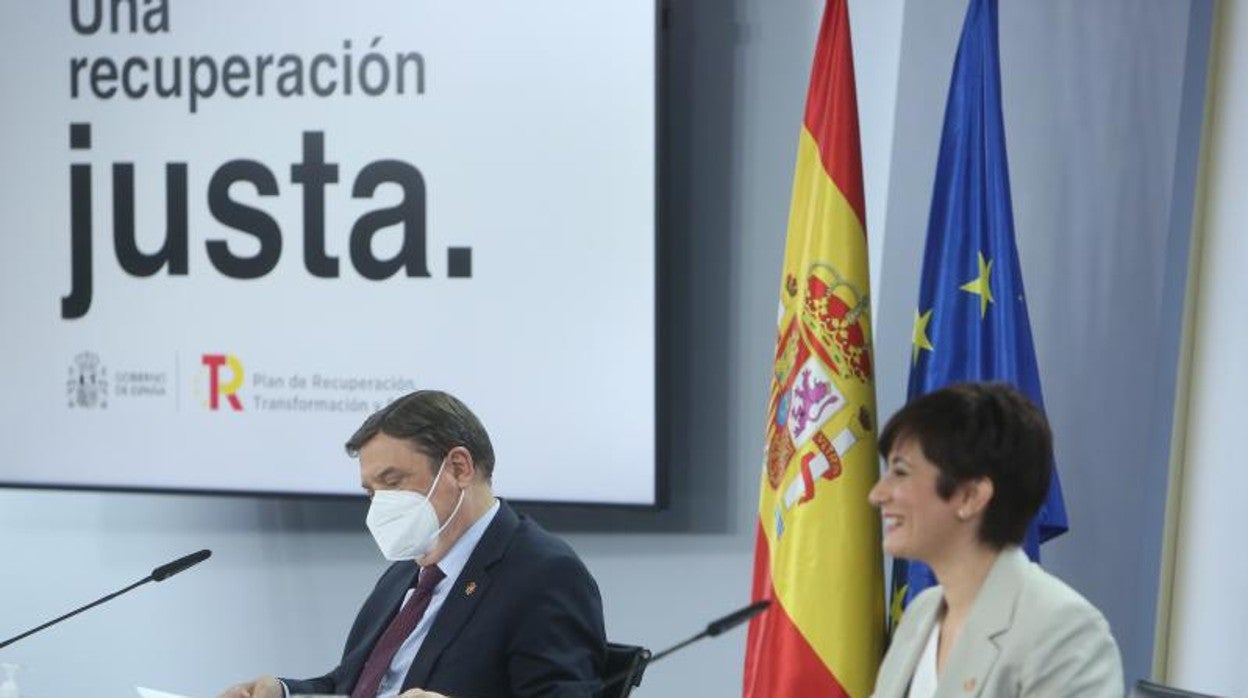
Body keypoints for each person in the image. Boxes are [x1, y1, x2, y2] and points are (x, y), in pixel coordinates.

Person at [219, 390, 606, 698]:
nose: (380, 504)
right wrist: (283, 693)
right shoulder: (406, 572)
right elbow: (353, 685)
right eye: (371, 491)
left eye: (393, 481)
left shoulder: (545, 573)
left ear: (458, 468)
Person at [868, 382, 1123, 698]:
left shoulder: (1064, 632)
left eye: (901, 472)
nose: (878, 495)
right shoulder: (921, 613)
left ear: (971, 496)